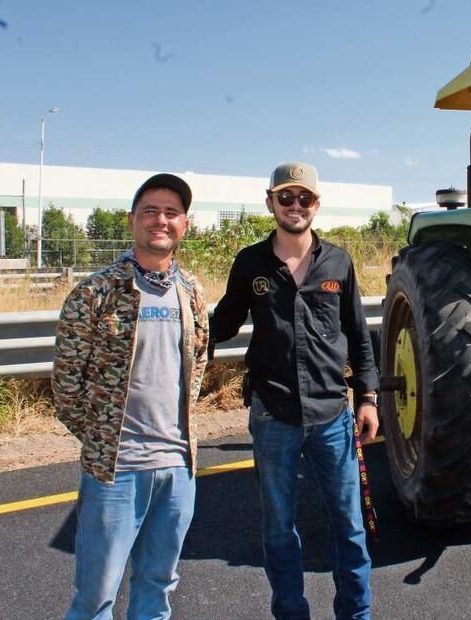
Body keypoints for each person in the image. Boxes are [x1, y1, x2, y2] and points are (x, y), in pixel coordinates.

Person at [211, 162, 379, 619]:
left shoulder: (339, 262)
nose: (295, 206)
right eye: (286, 197)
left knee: (349, 528)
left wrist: (368, 398)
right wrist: (178, 314)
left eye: (304, 198)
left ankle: (356, 614)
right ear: (270, 202)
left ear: (316, 205)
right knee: (280, 530)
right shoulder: (250, 263)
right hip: (273, 414)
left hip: (332, 415)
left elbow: (359, 336)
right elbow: (223, 323)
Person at [52, 173, 209, 619]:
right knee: (95, 597)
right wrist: (105, 437)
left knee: (157, 590)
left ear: (185, 224)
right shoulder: (96, 292)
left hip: (179, 469)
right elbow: (67, 387)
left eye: (172, 212)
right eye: (151, 211)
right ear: (131, 220)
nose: (161, 219)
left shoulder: (192, 292)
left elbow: (196, 367)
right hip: (115, 471)